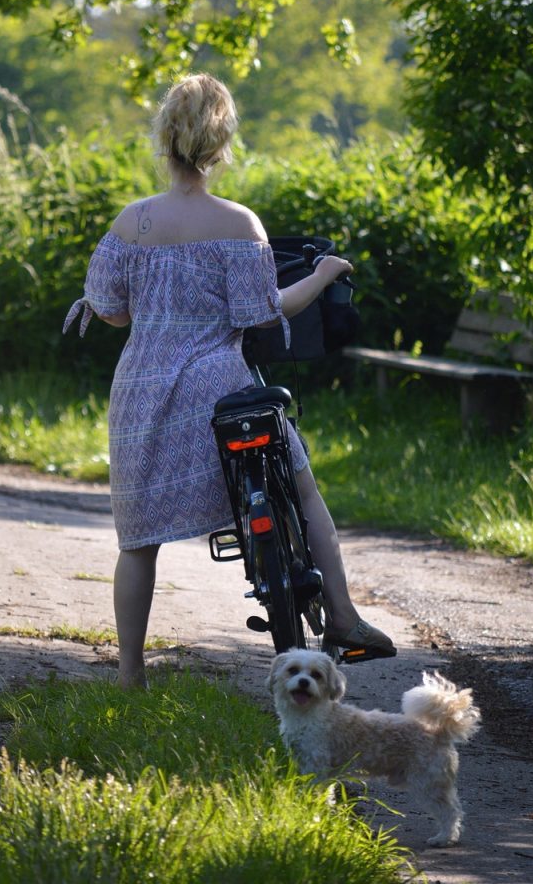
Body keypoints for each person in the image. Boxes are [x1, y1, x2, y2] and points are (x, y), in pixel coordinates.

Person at [64, 73, 395, 688]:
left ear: (164, 140)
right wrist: (322, 274)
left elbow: (109, 309)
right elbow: (263, 312)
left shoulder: (130, 225)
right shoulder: (241, 224)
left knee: (137, 542)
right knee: (301, 487)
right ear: (220, 146)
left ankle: (130, 673)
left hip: (143, 391)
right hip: (221, 387)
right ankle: (344, 618)